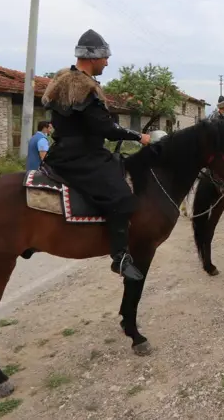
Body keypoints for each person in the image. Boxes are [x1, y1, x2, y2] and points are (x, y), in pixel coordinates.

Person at [42, 29, 151, 281]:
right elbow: (106, 128)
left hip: (61, 153)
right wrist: (139, 137)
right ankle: (120, 256)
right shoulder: (84, 88)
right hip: (82, 157)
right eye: (105, 58)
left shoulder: (62, 81)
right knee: (124, 199)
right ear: (93, 58)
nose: (107, 63)